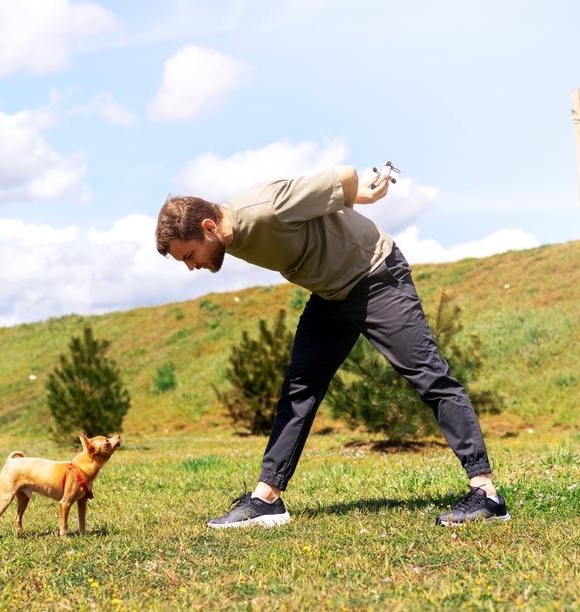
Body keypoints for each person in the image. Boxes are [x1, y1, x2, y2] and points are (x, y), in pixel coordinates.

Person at [154, 165, 510, 528]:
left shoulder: (265, 208)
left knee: (429, 377)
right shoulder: (229, 234)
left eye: (189, 255)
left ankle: (487, 494)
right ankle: (266, 500)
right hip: (330, 293)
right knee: (299, 388)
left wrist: (362, 195)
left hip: (375, 276)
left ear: (208, 228)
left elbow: (343, 175)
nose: (191, 267)